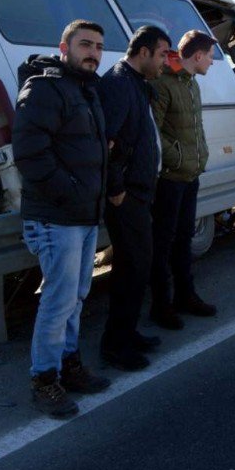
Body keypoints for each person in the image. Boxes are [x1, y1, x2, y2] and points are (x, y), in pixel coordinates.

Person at [12, 19, 111, 418]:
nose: (93, 52)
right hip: (57, 217)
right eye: (85, 44)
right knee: (58, 300)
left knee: (76, 296)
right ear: (64, 47)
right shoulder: (44, 87)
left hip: (84, 215)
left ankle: (69, 365)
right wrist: (70, 191)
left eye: (99, 47)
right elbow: (29, 153)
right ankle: (44, 380)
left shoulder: (85, 89)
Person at [97, 25, 171, 371]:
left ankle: (127, 333)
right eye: (161, 54)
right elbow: (105, 142)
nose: (164, 62)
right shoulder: (117, 83)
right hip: (126, 196)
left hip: (140, 192)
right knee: (132, 268)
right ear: (143, 52)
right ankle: (115, 346)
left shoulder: (136, 83)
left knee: (138, 266)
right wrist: (115, 190)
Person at [149, 30, 219, 331]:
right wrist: (177, 158)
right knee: (162, 244)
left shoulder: (191, 83)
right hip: (169, 179)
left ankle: (185, 296)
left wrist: (197, 157)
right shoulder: (164, 82)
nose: (213, 63)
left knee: (183, 240)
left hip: (190, 176)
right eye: (211, 57)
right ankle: (160, 306)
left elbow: (193, 128)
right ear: (198, 56)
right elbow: (153, 131)